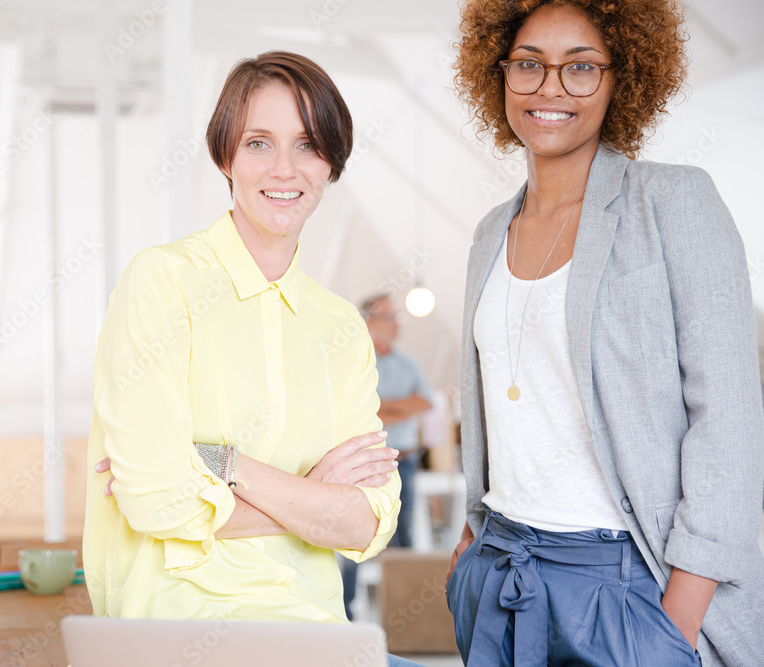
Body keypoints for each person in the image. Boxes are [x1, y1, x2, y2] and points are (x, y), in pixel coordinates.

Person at [447, 1, 764, 666]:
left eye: (581, 67)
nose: (551, 88)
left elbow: (730, 420)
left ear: (624, 78)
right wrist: (471, 544)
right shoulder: (488, 233)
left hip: (629, 586)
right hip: (500, 570)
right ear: (498, 73)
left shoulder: (673, 201)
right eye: (528, 64)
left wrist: (674, 625)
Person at [83, 50, 409, 642]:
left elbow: (370, 523)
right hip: (179, 629)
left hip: (317, 631)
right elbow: (155, 500)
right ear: (224, 156)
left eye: (308, 144)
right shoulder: (161, 282)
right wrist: (314, 499)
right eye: (259, 143)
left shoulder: (340, 327)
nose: (284, 169)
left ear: (331, 164)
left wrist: (223, 464)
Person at [340, 294, 433, 619]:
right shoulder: (354, 360)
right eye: (390, 317)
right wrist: (400, 406)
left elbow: (424, 402)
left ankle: (406, 618)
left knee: (403, 537)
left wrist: (383, 405)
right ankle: (347, 614)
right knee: (355, 538)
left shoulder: (408, 362)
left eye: (397, 317)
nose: (396, 325)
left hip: (404, 463)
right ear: (369, 321)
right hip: (365, 465)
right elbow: (360, 410)